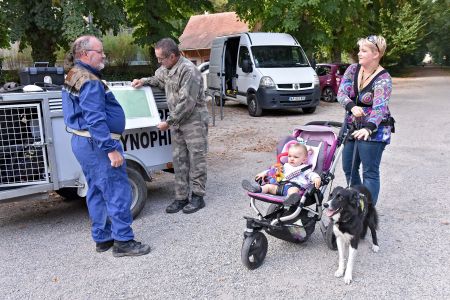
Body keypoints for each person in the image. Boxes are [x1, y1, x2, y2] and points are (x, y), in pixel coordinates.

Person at [62, 35, 151, 257]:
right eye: (99, 51)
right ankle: (123, 241)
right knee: (117, 190)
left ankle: (103, 238)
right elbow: (95, 119)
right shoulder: (90, 80)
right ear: (84, 54)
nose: (103, 55)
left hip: (85, 143)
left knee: (96, 190)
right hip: (97, 144)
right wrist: (110, 149)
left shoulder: (74, 74)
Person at [131, 38, 208, 214]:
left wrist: (169, 121)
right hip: (178, 121)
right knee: (179, 159)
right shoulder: (167, 68)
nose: (159, 62)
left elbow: (187, 102)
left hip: (193, 121)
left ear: (172, 56)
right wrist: (142, 81)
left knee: (197, 159)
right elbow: (157, 79)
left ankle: (197, 197)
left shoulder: (189, 71)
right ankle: (181, 197)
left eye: (161, 58)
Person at [336, 35, 394, 206]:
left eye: (364, 51)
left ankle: (366, 210)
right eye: (359, 50)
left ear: (376, 54)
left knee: (370, 172)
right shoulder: (353, 70)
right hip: (352, 126)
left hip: (374, 130)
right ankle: (356, 204)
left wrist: (368, 128)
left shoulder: (384, 78)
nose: (359, 54)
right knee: (349, 167)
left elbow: (379, 108)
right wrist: (351, 106)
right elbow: (341, 93)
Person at [241, 143, 321, 203]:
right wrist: (264, 173)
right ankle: (256, 189)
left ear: (304, 160)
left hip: (292, 187)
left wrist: (316, 178)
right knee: (268, 186)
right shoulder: (285, 166)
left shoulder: (304, 169)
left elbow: (312, 175)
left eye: (295, 157)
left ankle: (289, 199)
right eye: (290, 156)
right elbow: (272, 171)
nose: (291, 159)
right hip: (279, 186)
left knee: (294, 190)